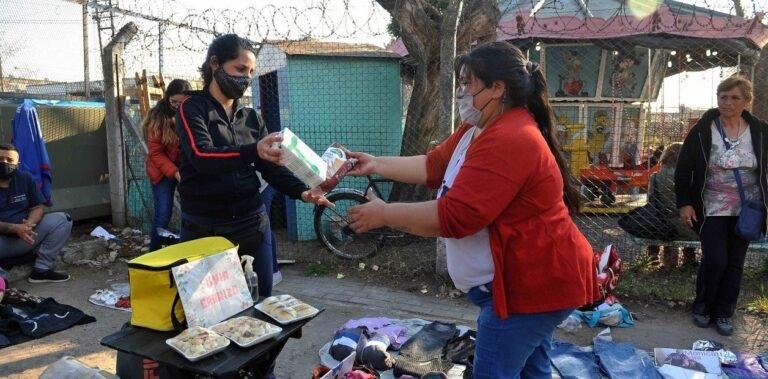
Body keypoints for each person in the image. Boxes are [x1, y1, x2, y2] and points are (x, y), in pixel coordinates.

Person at [337, 41, 599, 379]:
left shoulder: (511, 137)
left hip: (529, 288)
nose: (460, 92)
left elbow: (454, 217)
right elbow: (433, 166)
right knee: (530, 371)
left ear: (497, 88)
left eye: (468, 83)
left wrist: (384, 214)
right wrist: (375, 164)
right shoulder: (479, 129)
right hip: (526, 285)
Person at [176, 34, 329, 301]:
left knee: (262, 303)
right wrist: (252, 150)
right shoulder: (192, 108)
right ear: (215, 63)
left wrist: (303, 192)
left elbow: (269, 166)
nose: (246, 78)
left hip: (251, 224)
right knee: (210, 311)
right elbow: (202, 155)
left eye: (251, 72)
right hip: (204, 227)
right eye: (239, 69)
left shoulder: (250, 117)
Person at [675, 75, 768, 336]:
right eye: (723, 97)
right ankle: (702, 307)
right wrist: (685, 203)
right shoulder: (704, 129)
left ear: (747, 101)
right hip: (712, 205)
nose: (727, 102)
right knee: (716, 259)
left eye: (734, 98)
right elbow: (683, 169)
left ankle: (725, 312)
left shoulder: (761, 131)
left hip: (748, 209)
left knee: (736, 262)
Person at [0, 144, 72, 283]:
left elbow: (37, 207)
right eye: (0, 159)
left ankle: (42, 270)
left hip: (25, 237)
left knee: (63, 219)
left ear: (17, 164)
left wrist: (29, 224)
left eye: (9, 160)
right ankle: (2, 282)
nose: (4, 163)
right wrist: (13, 228)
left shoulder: (25, 178)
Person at [142, 78, 191, 251]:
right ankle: (153, 255)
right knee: (163, 215)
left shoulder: (192, 112)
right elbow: (155, 153)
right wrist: (175, 172)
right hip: (162, 171)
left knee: (191, 213)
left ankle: (186, 252)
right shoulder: (158, 117)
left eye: (182, 102)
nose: (177, 106)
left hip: (185, 168)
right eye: (174, 102)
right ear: (167, 97)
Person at [644, 143, 698, 267]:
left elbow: (651, 201)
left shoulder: (656, 177)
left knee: (656, 220)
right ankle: (689, 258)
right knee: (689, 222)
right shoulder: (692, 177)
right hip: (688, 225)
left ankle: (656, 257)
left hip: (663, 225)